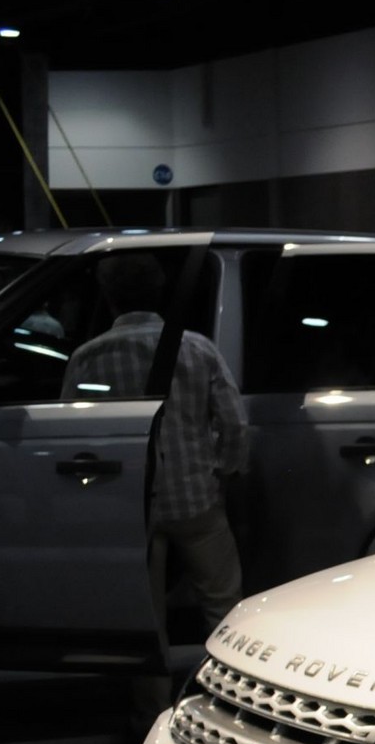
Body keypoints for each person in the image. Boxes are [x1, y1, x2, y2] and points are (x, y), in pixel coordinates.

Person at [64, 253, 248, 635]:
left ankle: (154, 695)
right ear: (160, 290)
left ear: (108, 294)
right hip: (195, 497)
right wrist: (224, 474)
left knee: (146, 619)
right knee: (222, 602)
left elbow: (74, 435)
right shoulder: (198, 349)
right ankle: (220, 685)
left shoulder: (87, 359)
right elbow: (234, 423)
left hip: (127, 505)